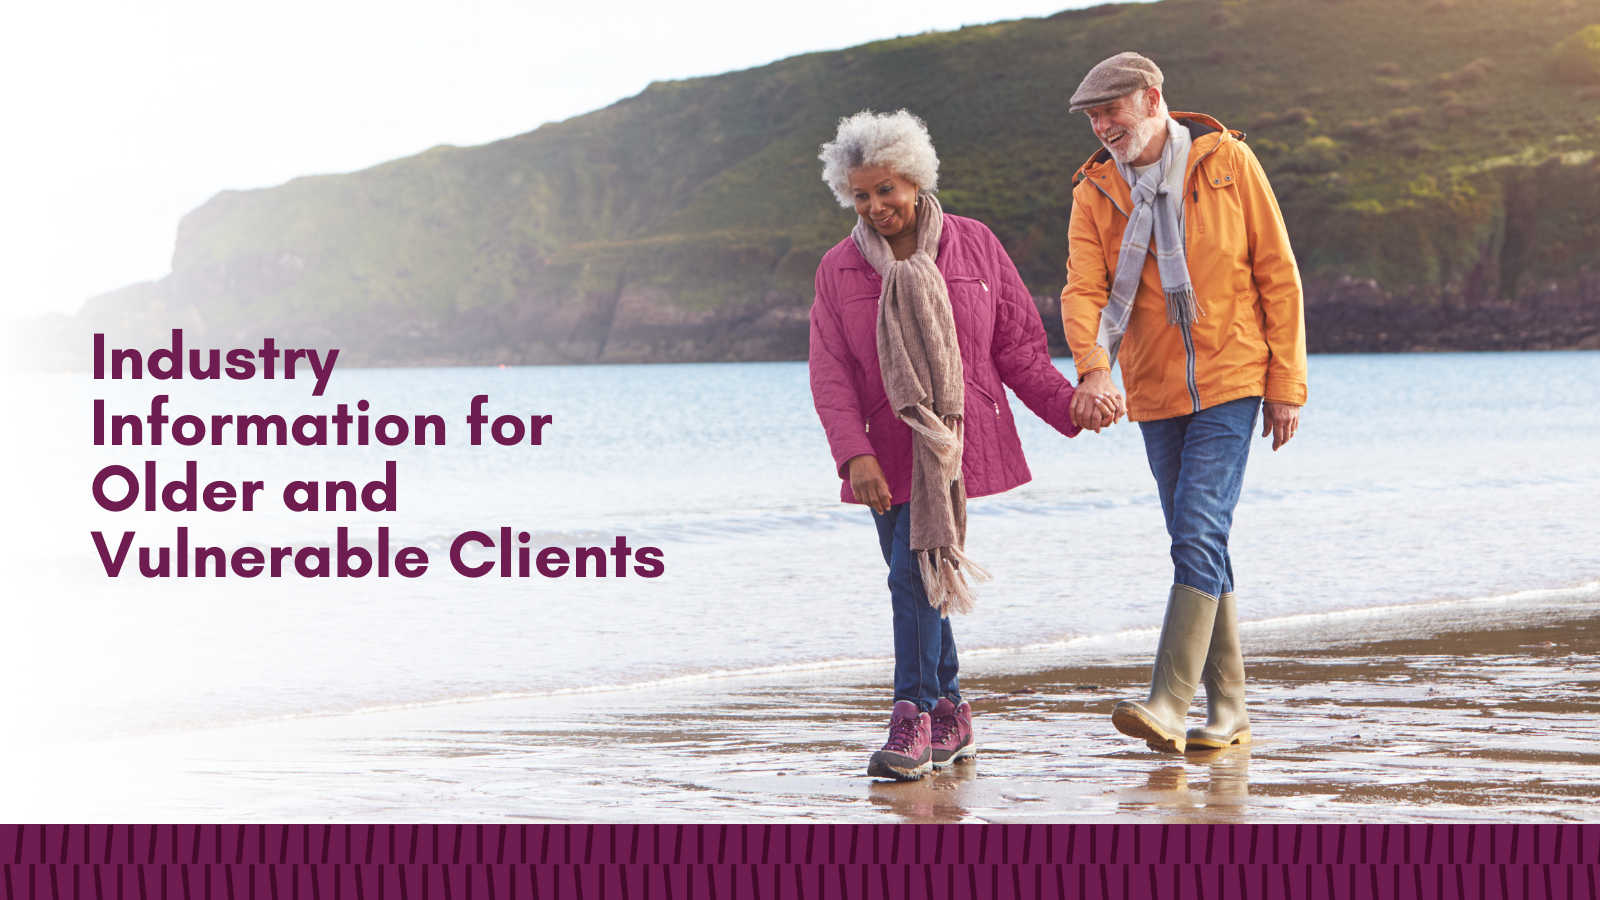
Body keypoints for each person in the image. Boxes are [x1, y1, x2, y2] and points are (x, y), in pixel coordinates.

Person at [810, 109, 1108, 781]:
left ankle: (911, 718)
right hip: (883, 451)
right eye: (861, 194)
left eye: (886, 189)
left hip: (951, 445)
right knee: (919, 576)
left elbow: (1020, 351)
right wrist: (851, 454)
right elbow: (829, 372)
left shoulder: (974, 246)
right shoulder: (839, 269)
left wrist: (1072, 407)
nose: (875, 206)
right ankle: (950, 711)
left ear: (914, 180)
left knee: (911, 576)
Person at [1060, 53, 1308, 753]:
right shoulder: (1094, 191)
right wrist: (1093, 370)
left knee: (1196, 529)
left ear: (1152, 99)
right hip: (1153, 388)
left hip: (1234, 377)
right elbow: (1083, 291)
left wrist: (1287, 385)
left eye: (1112, 110)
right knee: (1200, 539)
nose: (1103, 126)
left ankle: (1169, 701)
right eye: (1093, 117)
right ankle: (1229, 711)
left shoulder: (1227, 162)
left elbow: (1278, 276)